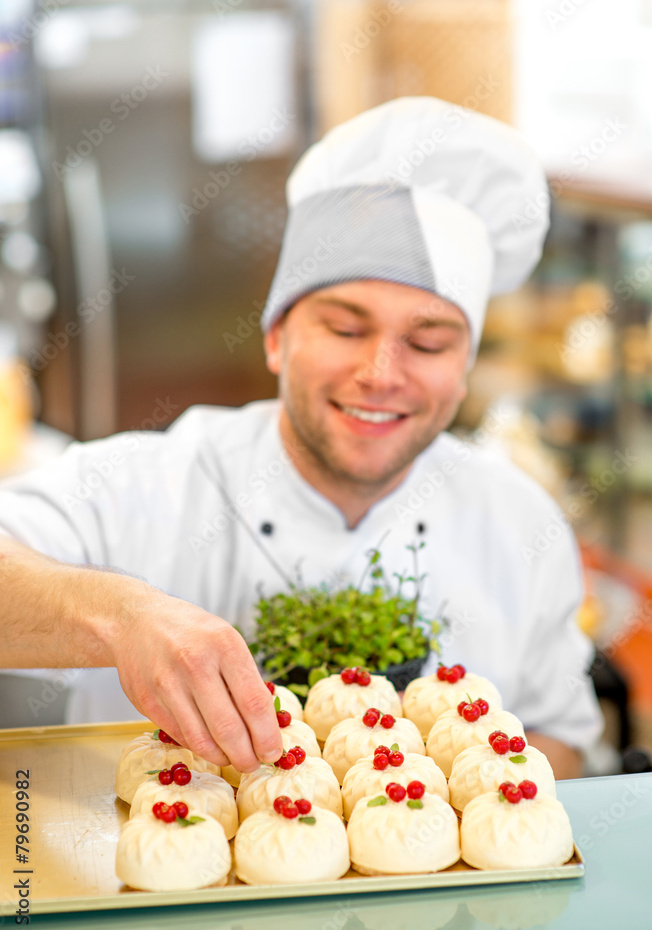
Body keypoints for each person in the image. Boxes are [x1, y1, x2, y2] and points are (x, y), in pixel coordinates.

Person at [0, 97, 602, 779]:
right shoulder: (152, 483)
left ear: (463, 370)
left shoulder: (520, 525)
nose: (379, 374)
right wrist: (119, 617)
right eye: (345, 329)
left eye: (428, 341)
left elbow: (562, 741)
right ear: (278, 336)